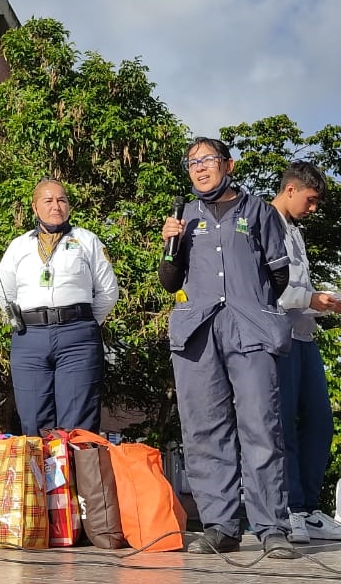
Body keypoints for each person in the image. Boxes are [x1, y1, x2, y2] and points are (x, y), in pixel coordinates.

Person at [159, 137, 297, 558]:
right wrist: (170, 246)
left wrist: (247, 301)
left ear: (228, 165)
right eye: (192, 163)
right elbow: (170, 281)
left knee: (260, 424)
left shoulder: (260, 213)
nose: (199, 168)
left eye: (207, 160)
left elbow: (279, 276)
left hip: (250, 329)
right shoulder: (183, 216)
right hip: (197, 333)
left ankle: (272, 527)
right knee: (203, 429)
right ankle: (220, 525)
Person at [0, 178, 118, 436]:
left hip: (77, 337)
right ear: (34, 208)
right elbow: (5, 294)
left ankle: (76, 477)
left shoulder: (86, 240)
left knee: (78, 422)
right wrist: (21, 323)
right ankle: (41, 476)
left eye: (62, 200)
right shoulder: (18, 246)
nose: (56, 206)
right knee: (33, 419)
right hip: (29, 337)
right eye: (48, 200)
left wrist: (84, 323)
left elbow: (108, 291)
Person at [270, 162, 341, 543]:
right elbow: (266, 287)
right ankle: (290, 510)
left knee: (319, 420)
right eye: (310, 200)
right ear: (292, 189)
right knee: (282, 426)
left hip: (304, 336)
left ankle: (310, 509)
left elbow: (300, 289)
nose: (312, 209)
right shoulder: (262, 222)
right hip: (276, 336)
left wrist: (324, 303)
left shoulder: (296, 232)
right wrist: (311, 298)